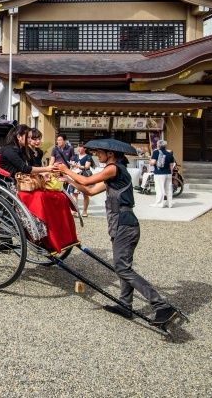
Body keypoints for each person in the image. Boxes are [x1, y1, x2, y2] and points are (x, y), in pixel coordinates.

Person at [55, 144, 178, 326]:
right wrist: (68, 179)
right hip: (121, 224)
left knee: (122, 268)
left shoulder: (113, 169)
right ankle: (125, 305)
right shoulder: (115, 173)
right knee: (123, 265)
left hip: (124, 224)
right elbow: (89, 190)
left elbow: (87, 181)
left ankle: (161, 305)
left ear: (110, 154)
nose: (97, 155)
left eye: (99, 153)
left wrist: (66, 169)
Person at [150, 139, 175, 208]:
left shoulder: (156, 152)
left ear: (158, 145)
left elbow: (153, 162)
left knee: (159, 189)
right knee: (169, 189)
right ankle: (169, 204)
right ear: (165, 145)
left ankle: (159, 204)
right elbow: (171, 165)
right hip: (168, 174)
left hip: (159, 173)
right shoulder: (169, 153)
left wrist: (150, 161)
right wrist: (171, 173)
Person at [70, 142, 94, 217]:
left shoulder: (88, 157)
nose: (79, 148)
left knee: (85, 194)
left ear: (85, 148)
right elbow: (72, 165)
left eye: (81, 147)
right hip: (75, 176)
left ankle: (84, 211)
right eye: (78, 147)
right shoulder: (75, 156)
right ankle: (74, 210)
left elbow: (87, 166)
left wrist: (77, 166)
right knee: (74, 193)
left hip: (84, 176)